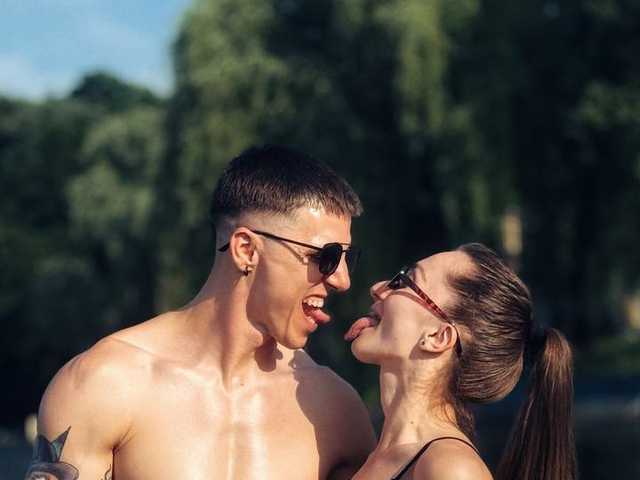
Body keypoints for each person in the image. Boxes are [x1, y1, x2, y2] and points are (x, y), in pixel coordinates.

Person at [26, 145, 376, 480]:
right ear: (245, 250)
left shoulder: (334, 409)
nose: (342, 280)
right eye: (326, 257)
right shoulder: (106, 384)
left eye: (348, 258)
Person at [345, 243, 576, 480]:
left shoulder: (451, 468)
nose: (378, 288)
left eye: (406, 281)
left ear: (438, 337)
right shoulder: (371, 458)